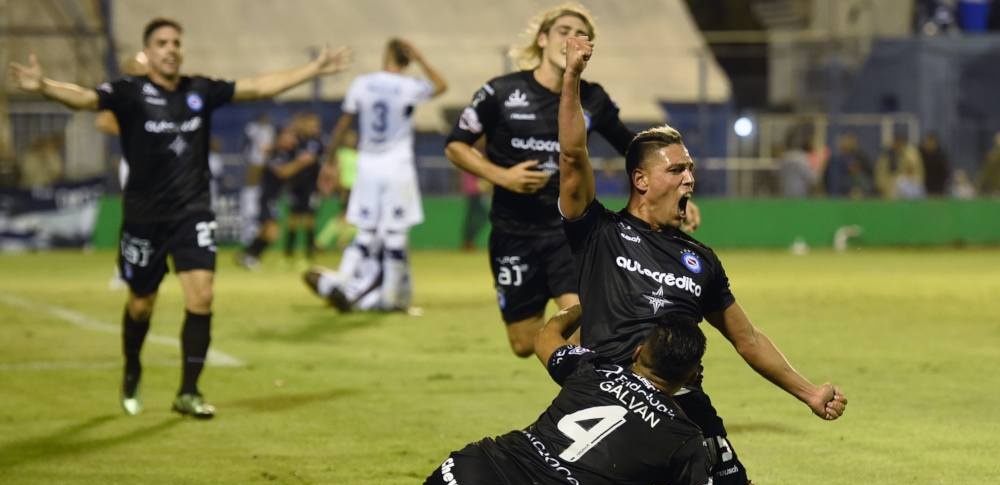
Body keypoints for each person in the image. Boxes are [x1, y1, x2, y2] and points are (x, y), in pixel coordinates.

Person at [8, 17, 350, 418]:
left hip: (193, 211)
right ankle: (132, 365)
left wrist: (313, 69)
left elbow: (259, 86)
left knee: (202, 295)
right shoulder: (129, 93)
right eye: (162, 43)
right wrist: (45, 86)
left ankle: (189, 391)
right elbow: (84, 99)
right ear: (148, 52)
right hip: (144, 217)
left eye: (175, 43)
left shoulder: (199, 90)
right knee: (141, 304)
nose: (170, 49)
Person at [557, 36, 848, 485]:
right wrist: (572, 78)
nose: (689, 177)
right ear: (640, 179)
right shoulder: (600, 232)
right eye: (676, 170)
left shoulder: (700, 260)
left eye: (690, 168)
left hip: (685, 401)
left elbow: (747, 339)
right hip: (614, 396)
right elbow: (574, 157)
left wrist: (809, 392)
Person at [444, 3, 634, 357]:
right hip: (514, 234)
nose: (572, 41)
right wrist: (502, 176)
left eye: (582, 36)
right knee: (523, 343)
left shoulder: (592, 98)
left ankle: (585, 395)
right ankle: (575, 375)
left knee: (586, 325)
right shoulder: (500, 92)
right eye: (564, 32)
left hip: (570, 233)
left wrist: (676, 189)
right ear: (543, 39)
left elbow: (632, 148)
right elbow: (455, 145)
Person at [425, 305, 713, 485]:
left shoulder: (592, 369)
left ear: (638, 352)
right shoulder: (684, 437)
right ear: (691, 376)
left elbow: (547, 334)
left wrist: (590, 302)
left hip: (473, 469)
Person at [310, 38, 446, 312]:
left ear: (386, 56)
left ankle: (343, 280)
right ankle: (391, 299)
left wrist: (329, 160)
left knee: (365, 230)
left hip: (368, 164)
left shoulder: (363, 83)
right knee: (395, 233)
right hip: (397, 165)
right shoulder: (409, 86)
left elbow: (343, 123)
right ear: (407, 60)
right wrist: (421, 58)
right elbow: (441, 86)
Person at [919, 132, 951, 197]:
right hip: (923, 185)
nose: (929, 144)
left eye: (932, 142)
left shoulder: (941, 156)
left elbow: (945, 172)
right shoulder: (920, 154)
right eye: (927, 142)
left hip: (938, 186)